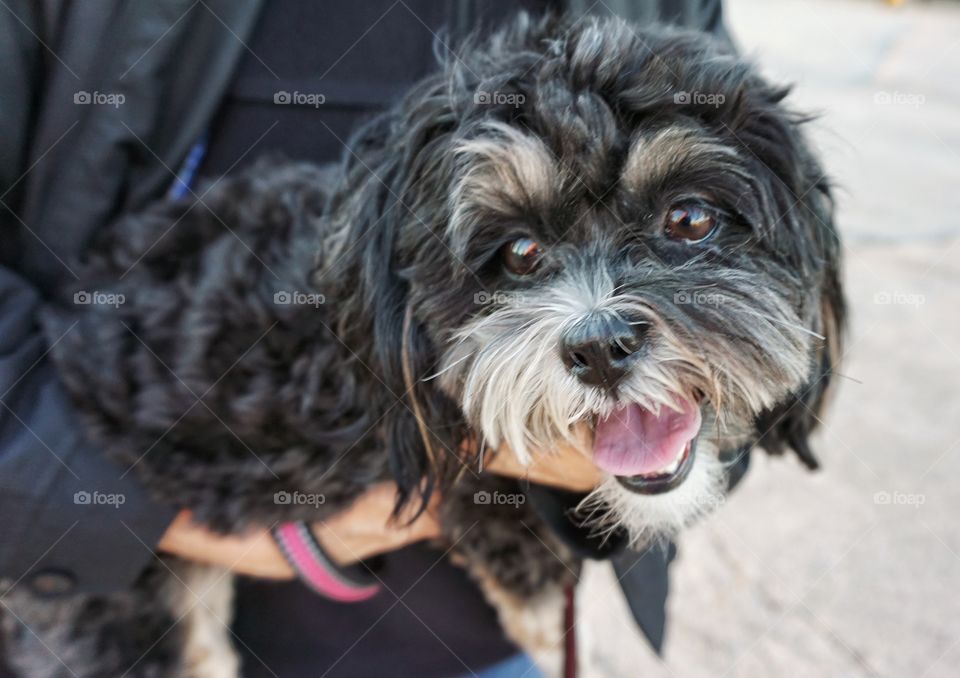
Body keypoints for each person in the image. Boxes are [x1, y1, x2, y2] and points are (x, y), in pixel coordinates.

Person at [0, 1, 738, 676]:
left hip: (479, 649)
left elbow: (776, 248)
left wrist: (665, 443)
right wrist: (191, 529)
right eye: (518, 256)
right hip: (112, 593)